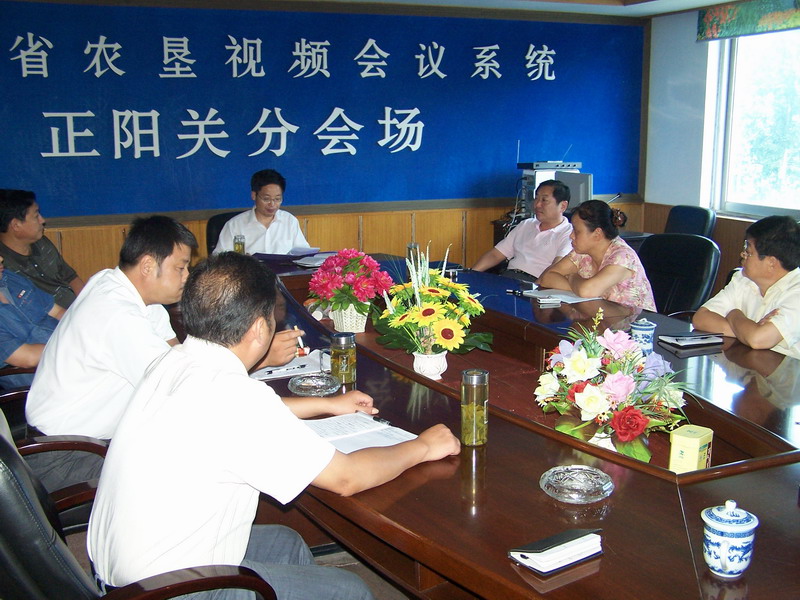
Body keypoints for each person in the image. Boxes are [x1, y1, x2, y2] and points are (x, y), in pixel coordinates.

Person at [87, 252, 460, 598]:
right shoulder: (236, 397)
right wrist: (424, 446)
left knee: (287, 543)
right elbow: (347, 478)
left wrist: (326, 404)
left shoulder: (176, 360)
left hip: (125, 573)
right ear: (258, 328)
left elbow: (235, 416)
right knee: (348, 590)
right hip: (170, 590)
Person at [25, 215, 198, 438]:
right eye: (181, 268)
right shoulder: (117, 313)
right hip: (67, 447)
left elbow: (173, 350)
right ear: (147, 266)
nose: (187, 277)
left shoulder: (117, 282)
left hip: (85, 437)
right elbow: (175, 388)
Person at [693, 215, 800, 359]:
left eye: (748, 252)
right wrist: (749, 332)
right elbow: (700, 318)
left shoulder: (796, 293)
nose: (742, 254)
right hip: (747, 363)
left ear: (771, 263)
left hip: (786, 370)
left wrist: (733, 314)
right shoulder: (742, 279)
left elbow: (758, 340)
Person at [538, 199, 656, 311]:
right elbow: (547, 278)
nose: (571, 236)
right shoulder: (583, 252)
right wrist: (578, 287)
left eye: (577, 231)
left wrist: (573, 276)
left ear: (597, 233)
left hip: (630, 322)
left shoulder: (623, 256)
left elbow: (587, 291)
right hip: (598, 316)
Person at [471, 180, 573, 281]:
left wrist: (537, 287)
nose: (537, 204)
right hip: (509, 277)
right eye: (536, 198)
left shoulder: (569, 234)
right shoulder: (526, 224)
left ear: (563, 206)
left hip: (536, 283)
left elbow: (556, 269)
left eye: (544, 200)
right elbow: (495, 255)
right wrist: (471, 274)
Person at [0, 189, 84, 309]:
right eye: (36, 216)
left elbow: (71, 277)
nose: (42, 220)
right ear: (16, 225)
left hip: (76, 309)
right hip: (54, 318)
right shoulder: (5, 268)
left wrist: (85, 303)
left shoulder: (41, 242)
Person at [0, 255, 63, 389]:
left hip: (70, 357)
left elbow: (56, 311)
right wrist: (73, 344)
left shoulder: (9, 278)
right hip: (43, 381)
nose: (1, 259)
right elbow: (28, 358)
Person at [214, 169, 310, 255]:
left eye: (277, 199)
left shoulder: (289, 221)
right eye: (266, 199)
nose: (272, 204)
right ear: (254, 195)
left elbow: (303, 254)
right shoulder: (235, 225)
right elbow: (219, 258)